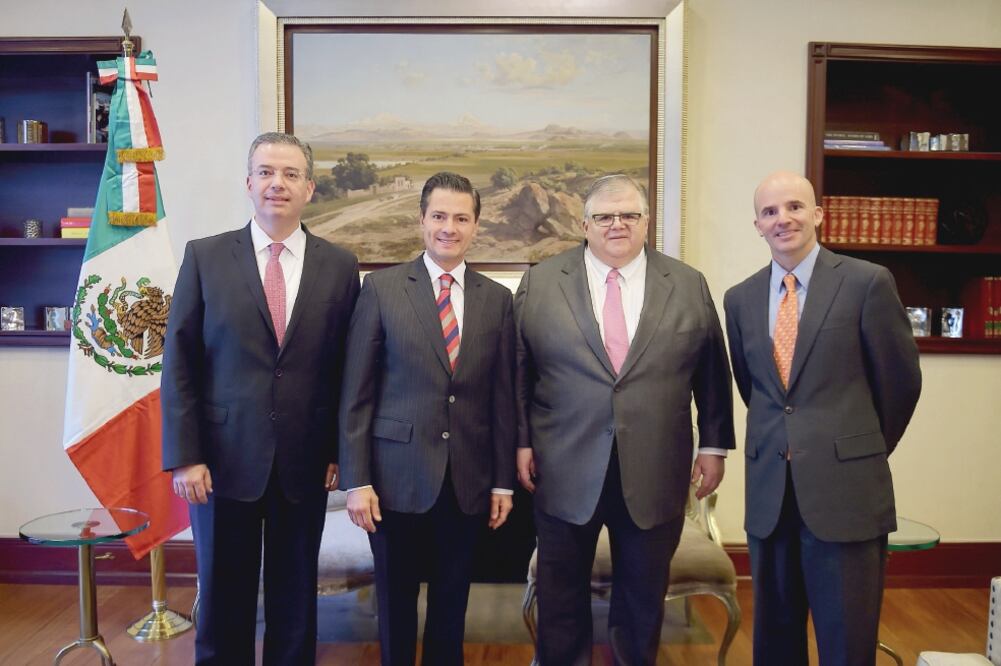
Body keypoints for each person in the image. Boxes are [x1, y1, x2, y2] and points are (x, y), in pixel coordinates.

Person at [515, 174, 735, 665]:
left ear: (646, 222)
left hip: (657, 466)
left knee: (642, 598)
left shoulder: (686, 282)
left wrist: (714, 445)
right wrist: (521, 441)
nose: (618, 225)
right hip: (563, 462)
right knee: (560, 596)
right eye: (605, 216)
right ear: (585, 224)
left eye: (629, 215)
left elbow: (712, 370)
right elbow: (519, 371)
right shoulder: (542, 281)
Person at [161, 132, 360, 665]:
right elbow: (179, 361)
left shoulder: (340, 266)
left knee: (296, 597)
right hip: (221, 463)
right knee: (224, 596)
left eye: (291, 174)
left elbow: (347, 368)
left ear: (310, 188)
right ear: (248, 183)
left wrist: (343, 451)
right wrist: (185, 453)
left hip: (306, 459)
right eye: (266, 172)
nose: (278, 183)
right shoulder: (205, 257)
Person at [724, 171, 922, 665]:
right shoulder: (740, 299)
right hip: (771, 491)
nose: (783, 219)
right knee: (774, 639)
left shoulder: (866, 282)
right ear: (757, 225)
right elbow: (757, 389)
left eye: (794, 207)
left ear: (817, 215)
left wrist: (858, 446)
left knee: (847, 640)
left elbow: (900, 384)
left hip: (846, 491)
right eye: (770, 212)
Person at [338, 172, 516, 666]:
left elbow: (503, 400)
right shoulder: (382, 289)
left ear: (476, 226)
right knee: (394, 604)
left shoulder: (497, 300)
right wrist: (357, 480)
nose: (449, 228)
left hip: (467, 480)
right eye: (439, 216)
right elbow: (356, 393)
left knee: (451, 604)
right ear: (421, 220)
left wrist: (502, 483)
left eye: (461, 218)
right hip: (393, 481)